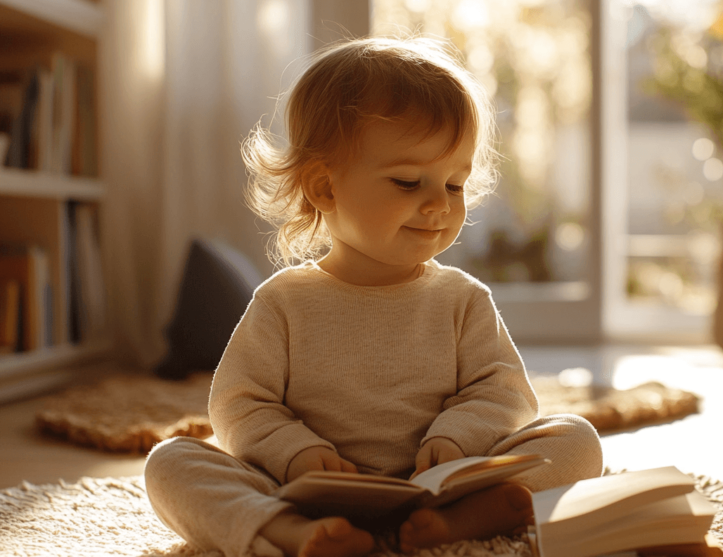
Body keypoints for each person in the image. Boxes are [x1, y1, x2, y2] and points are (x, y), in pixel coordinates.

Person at [144, 36, 603, 557]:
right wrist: (296, 453)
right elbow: (240, 404)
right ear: (325, 189)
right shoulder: (284, 301)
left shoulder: (462, 298)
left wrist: (456, 439)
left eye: (454, 184)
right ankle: (291, 533)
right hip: (306, 493)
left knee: (576, 437)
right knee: (171, 461)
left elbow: (503, 391)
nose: (438, 205)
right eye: (409, 182)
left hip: (444, 483)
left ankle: (462, 520)